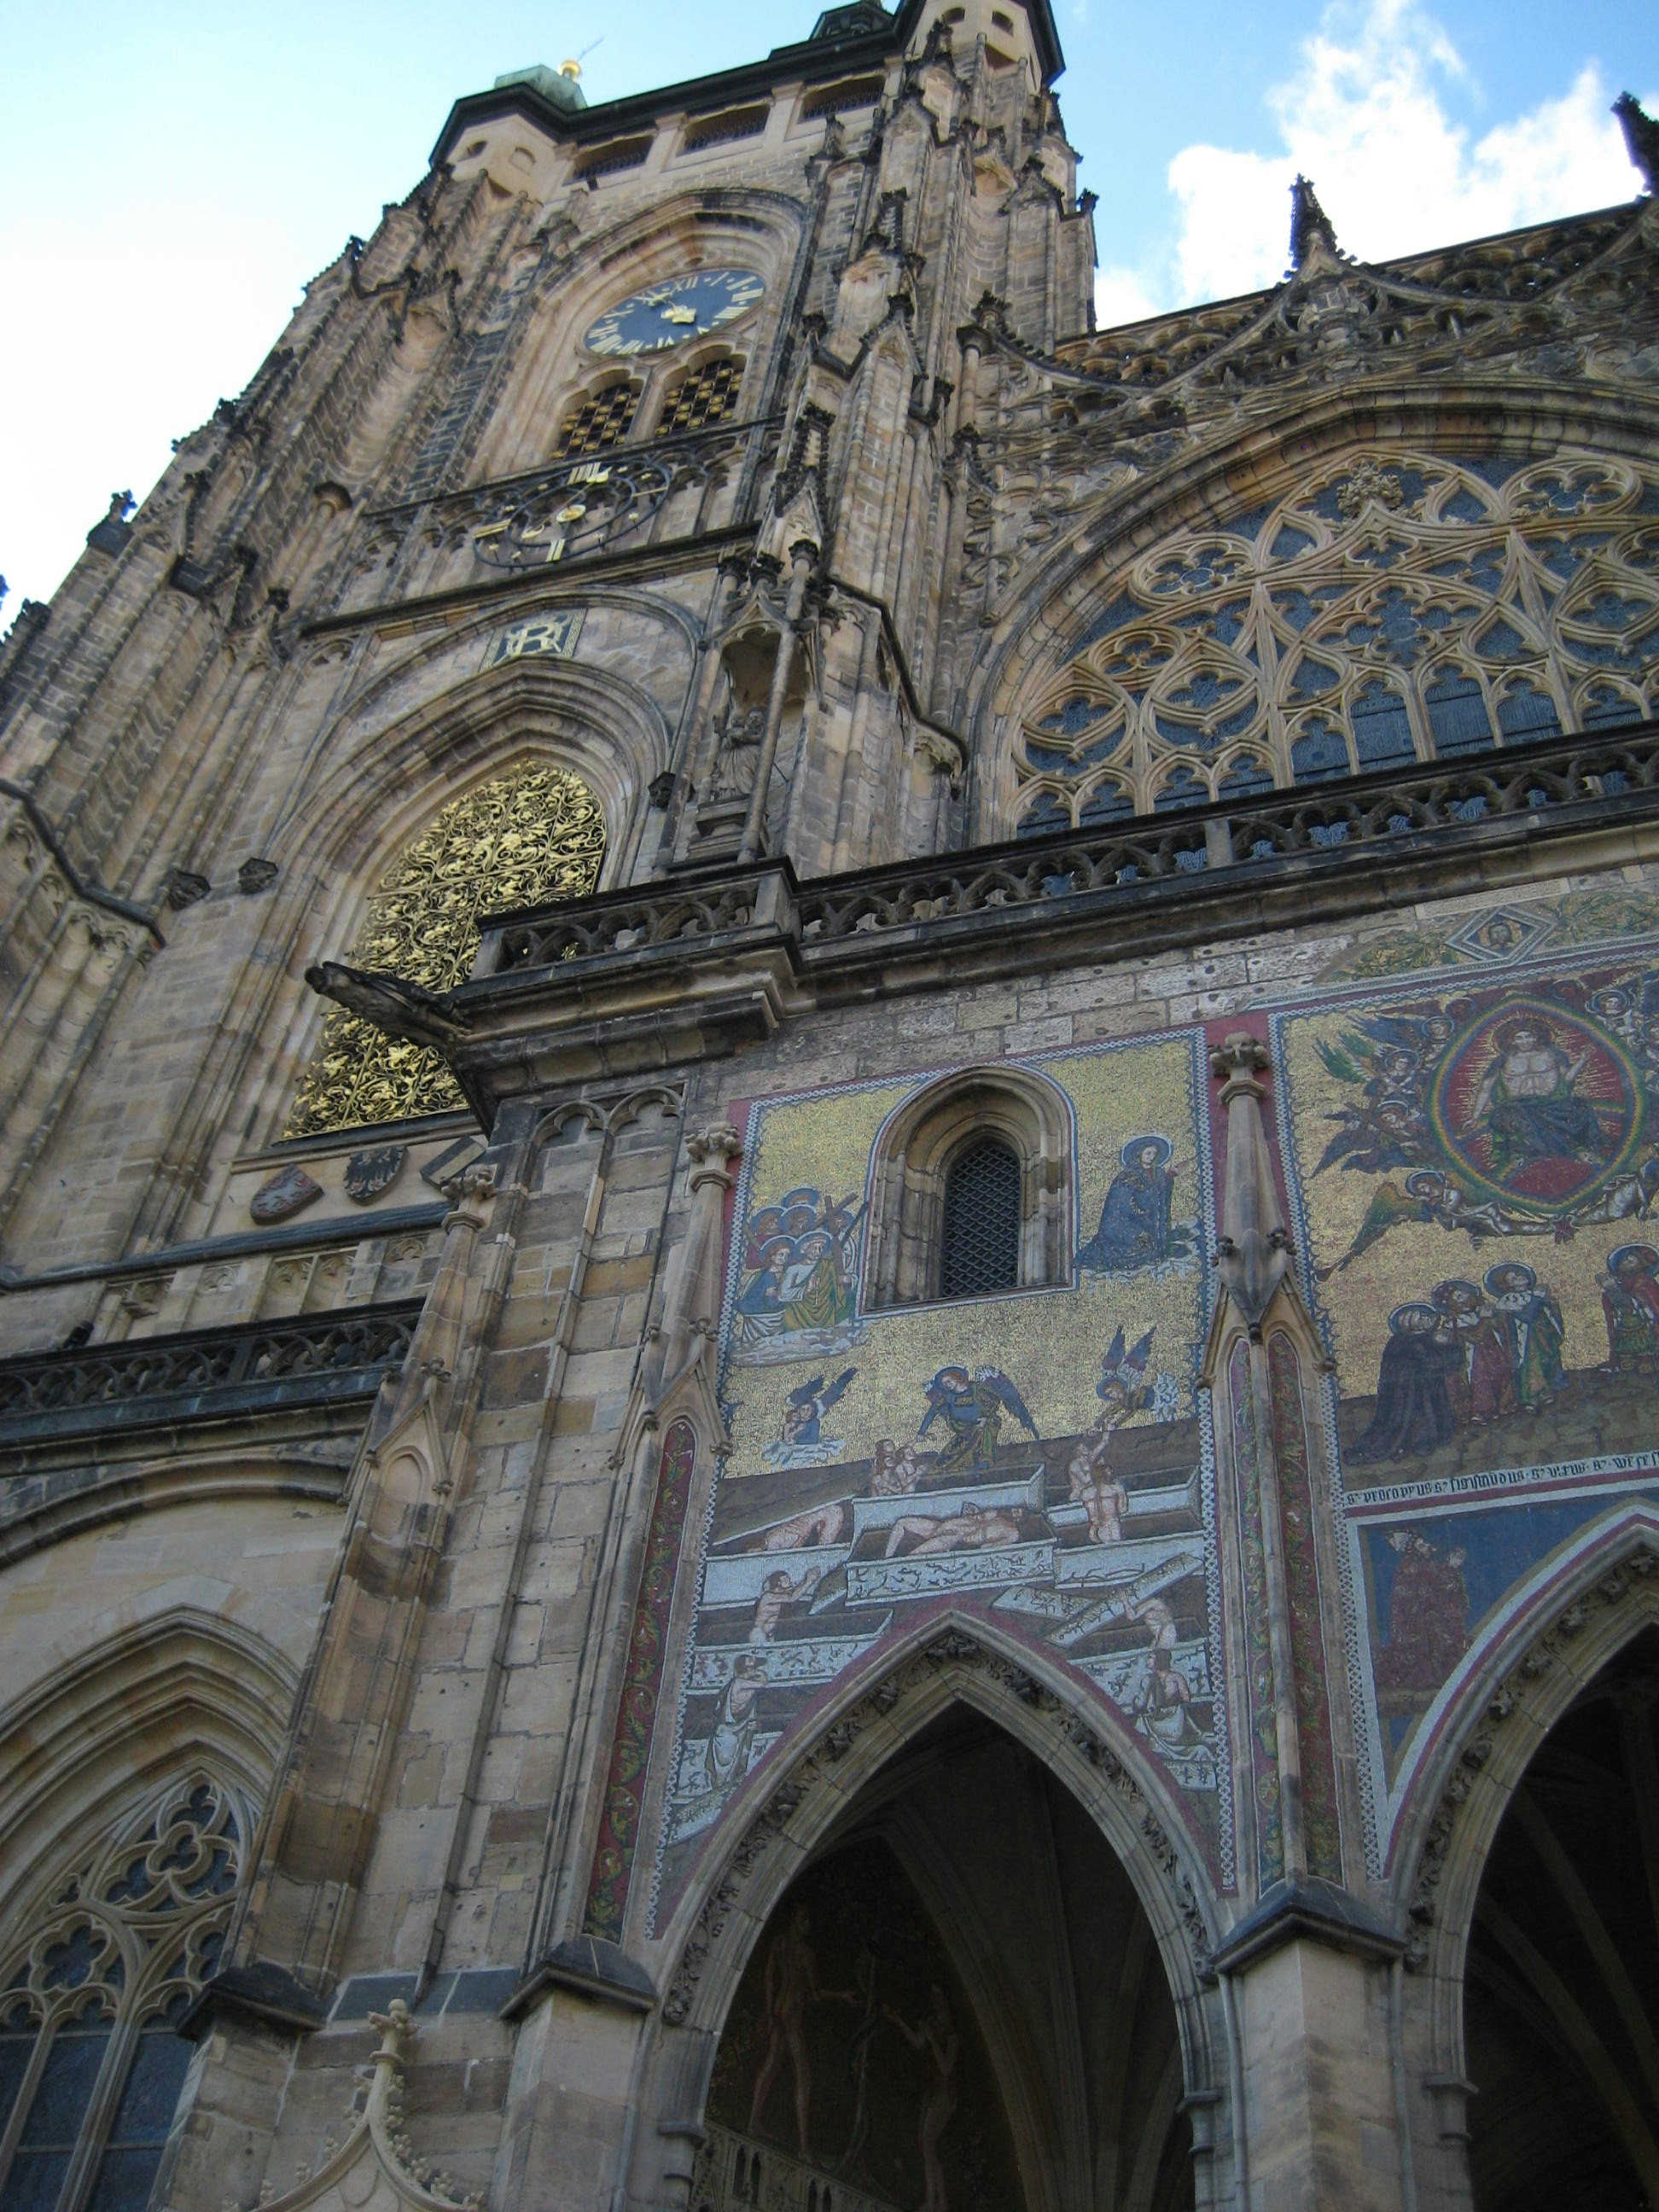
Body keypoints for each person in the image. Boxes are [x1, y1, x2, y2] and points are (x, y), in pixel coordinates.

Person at [747, 1903, 853, 2159]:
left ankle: (754, 2121)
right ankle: (804, 2147)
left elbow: (770, 1977)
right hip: (792, 2013)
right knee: (804, 2076)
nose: (808, 1924)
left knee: (772, 2064)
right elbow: (815, 1994)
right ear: (794, 1919)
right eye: (804, 1918)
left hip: (779, 2010)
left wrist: (770, 2010)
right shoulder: (805, 1953)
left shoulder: (779, 1944)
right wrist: (841, 1995)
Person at [1464, 1014, 1614, 1174]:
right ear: (1512, 1041)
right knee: (1507, 1115)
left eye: (1528, 1037)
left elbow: (1568, 1078)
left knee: (1580, 1105)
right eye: (1519, 1038)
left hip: (1552, 1102)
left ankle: (1581, 1148)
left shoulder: (1554, 1054)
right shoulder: (1502, 1060)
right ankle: (1525, 1154)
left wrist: (1582, 1060)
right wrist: (1475, 1116)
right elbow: (1486, 1087)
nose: (1525, 1041)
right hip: (1519, 1105)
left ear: (1536, 1038)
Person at [1351, 1304, 1462, 1462]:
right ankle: (1420, 1443)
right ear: (1410, 1322)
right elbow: (1429, 1360)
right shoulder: (1404, 1341)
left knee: (1432, 1411)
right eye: (1421, 1317)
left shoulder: (1429, 1338)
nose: (1427, 1319)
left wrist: (1445, 1345)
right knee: (1417, 1416)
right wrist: (1442, 1348)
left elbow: (1439, 1360)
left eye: (1427, 1316)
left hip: (1430, 1386)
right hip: (1408, 1391)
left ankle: (1431, 1438)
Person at [883, 1985, 959, 2212]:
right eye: (933, 1999)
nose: (936, 2005)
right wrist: (897, 2019)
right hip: (933, 2091)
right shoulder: (934, 2028)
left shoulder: (952, 2037)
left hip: (945, 2092)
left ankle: (934, 2201)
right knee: (926, 2142)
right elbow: (917, 2042)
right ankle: (940, 2200)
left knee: (927, 2142)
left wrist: (934, 2040)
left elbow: (946, 2068)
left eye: (939, 2000)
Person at [1374, 1530, 1469, 1693]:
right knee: (1435, 1627)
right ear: (1414, 1550)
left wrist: (1451, 1570)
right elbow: (1427, 1594)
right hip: (1413, 1629)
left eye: (1426, 1544)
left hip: (1425, 1622)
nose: (1427, 1548)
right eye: (1421, 1545)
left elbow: (1440, 1591)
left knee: (1441, 1627)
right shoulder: (1410, 1568)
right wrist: (1450, 1569)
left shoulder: (1428, 1566)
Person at [1077, 1136, 1189, 1270]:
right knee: (1143, 1246)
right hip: (1125, 1224)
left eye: (1154, 1153)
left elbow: (1159, 1193)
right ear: (1139, 1153)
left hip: (1146, 1222)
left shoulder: (1158, 1173)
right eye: (1148, 1153)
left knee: (1156, 1244)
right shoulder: (1127, 1176)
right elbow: (1133, 1203)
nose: (1151, 1157)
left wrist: (1170, 1176)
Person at [1483, 1261, 1567, 1410]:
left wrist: (1550, 1303)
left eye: (1521, 1277)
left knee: (1543, 1360)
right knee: (1527, 1364)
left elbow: (1546, 1312)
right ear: (1508, 1284)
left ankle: (1545, 1391)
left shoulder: (1533, 1295)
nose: (1519, 1280)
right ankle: (1531, 1397)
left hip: (1538, 1335)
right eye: (1514, 1279)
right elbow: (1503, 1320)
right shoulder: (1506, 1300)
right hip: (1519, 1338)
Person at [882, 1500, 1022, 1558]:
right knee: (902, 1523)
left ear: (1020, 1520)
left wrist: (971, 1540)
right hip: (943, 1525)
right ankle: (886, 1558)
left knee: (912, 1557)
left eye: (1018, 1513)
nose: (1014, 1512)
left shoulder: (1012, 1534)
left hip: (954, 1538)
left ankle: (895, 1565)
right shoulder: (996, 1513)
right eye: (1016, 1509)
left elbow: (987, 1548)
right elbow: (974, 1515)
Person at [707, 1653, 765, 1793]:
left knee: (737, 1763)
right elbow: (763, 1683)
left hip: (740, 1729)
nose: (753, 1669)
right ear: (744, 1668)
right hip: (727, 1731)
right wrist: (760, 1672)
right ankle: (720, 1790)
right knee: (724, 1765)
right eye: (751, 1664)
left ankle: (728, 1789)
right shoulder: (739, 1682)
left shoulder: (748, 1687)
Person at [1601, 1243, 1659, 1372]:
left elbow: (1631, 1304)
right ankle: (1626, 1360)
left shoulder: (1644, 1284)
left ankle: (1647, 1360)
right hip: (1624, 1326)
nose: (1625, 1262)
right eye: (1625, 1260)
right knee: (1626, 1345)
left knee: (1645, 1344)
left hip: (1644, 1325)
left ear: (1641, 1265)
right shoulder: (1621, 1283)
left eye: (1630, 1260)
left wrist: (1612, 1289)